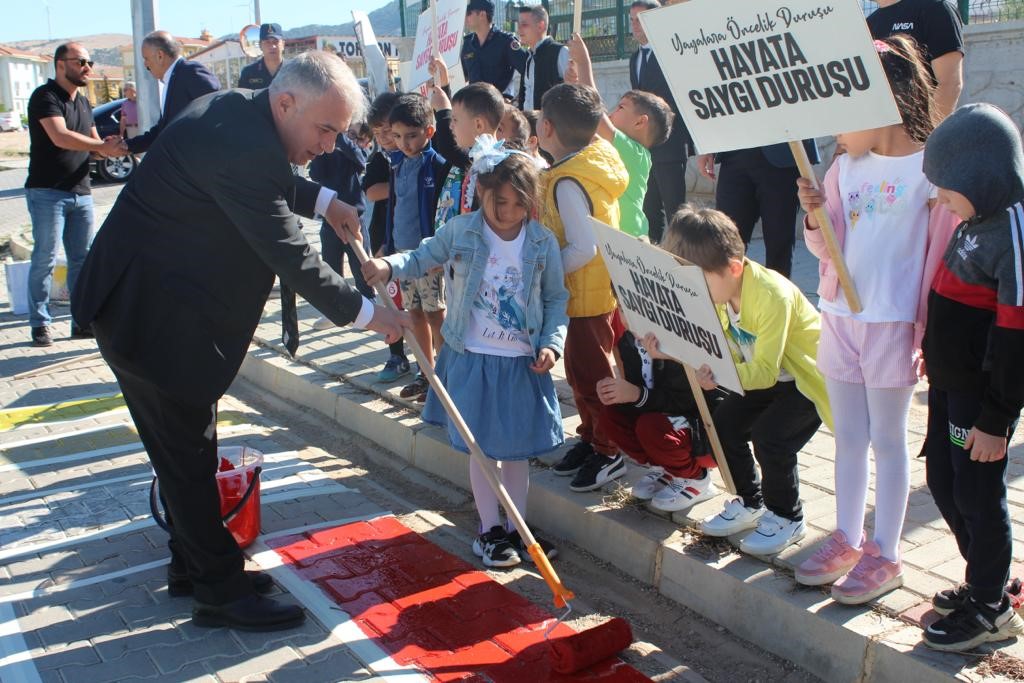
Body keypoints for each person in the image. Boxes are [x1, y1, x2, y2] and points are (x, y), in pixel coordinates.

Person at [70, 52, 408, 632]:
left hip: (156, 312)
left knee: (189, 455)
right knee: (187, 459)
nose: (330, 146)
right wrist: (375, 317)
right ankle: (219, 593)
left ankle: (196, 566)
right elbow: (292, 257)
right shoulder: (239, 143)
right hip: (146, 317)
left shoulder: (239, 114)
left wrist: (327, 202)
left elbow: (274, 177)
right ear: (285, 103)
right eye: (325, 129)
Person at [793, 36, 957, 604]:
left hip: (893, 324)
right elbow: (825, 250)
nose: (835, 129)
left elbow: (942, 258)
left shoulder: (933, 171)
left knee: (889, 441)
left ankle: (886, 552)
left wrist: (929, 332)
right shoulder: (843, 168)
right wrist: (815, 218)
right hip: (838, 316)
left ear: (879, 99)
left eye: (842, 109)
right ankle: (846, 534)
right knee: (848, 438)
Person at [364, 143, 568, 567]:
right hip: (473, 356)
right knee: (482, 450)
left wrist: (552, 343)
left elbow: (554, 300)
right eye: (499, 201)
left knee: (515, 451)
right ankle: (489, 530)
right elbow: (422, 257)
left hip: (521, 362)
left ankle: (519, 528)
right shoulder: (462, 230)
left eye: (518, 203)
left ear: (531, 202)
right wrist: (388, 267)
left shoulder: (542, 242)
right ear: (481, 192)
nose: (508, 211)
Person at [648, 207, 832, 556]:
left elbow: (762, 371)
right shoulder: (721, 291)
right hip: (764, 376)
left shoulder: (771, 295)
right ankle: (751, 501)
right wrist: (675, 354)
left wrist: (717, 374)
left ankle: (787, 517)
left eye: (700, 282)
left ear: (733, 267)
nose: (697, 292)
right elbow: (718, 347)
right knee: (725, 422)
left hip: (807, 380)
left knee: (771, 438)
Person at [917, 103, 1024, 651]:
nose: (937, 198)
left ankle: (991, 607)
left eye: (944, 187)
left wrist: (996, 419)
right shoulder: (975, 220)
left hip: (979, 403)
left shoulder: (1011, 230)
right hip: (947, 386)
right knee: (943, 479)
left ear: (980, 178)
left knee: (978, 493)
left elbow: (1014, 337)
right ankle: (982, 578)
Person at [538, 83, 629, 492]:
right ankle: (591, 438)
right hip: (586, 293)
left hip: (586, 295)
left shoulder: (568, 182)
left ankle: (610, 451)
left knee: (593, 377)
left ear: (548, 127)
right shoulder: (582, 165)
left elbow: (584, 246)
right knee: (578, 374)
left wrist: (545, 270)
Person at [25, 42, 124, 347]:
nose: (87, 67)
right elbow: (61, 137)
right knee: (45, 257)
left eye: (90, 62)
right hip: (47, 192)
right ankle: (40, 323)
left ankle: (81, 322)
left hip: (81, 192)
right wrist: (100, 147)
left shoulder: (82, 101)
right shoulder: (45, 97)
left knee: (82, 260)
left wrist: (112, 147)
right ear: (60, 64)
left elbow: (93, 144)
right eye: (81, 61)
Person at [567, 33, 673, 240]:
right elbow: (587, 117)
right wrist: (575, 82)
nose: (612, 112)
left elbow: (596, 115)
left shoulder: (636, 153)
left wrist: (585, 63)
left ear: (640, 122)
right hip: (611, 236)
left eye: (621, 107)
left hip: (627, 238)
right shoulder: (615, 146)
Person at [598, 326, 715, 512]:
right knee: (611, 411)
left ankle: (696, 479)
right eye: (622, 307)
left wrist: (638, 394)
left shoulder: (677, 340)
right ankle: (664, 467)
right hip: (664, 418)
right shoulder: (628, 341)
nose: (629, 315)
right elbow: (638, 389)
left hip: (705, 433)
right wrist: (616, 392)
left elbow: (685, 402)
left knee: (651, 426)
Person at [383, 93, 452, 402]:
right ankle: (427, 373)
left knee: (436, 314)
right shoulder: (396, 165)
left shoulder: (437, 165)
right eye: (398, 136)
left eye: (411, 135)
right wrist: (386, 243)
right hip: (402, 256)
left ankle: (447, 378)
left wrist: (439, 251)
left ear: (429, 131)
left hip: (427, 256)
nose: (404, 143)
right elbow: (393, 208)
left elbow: (442, 211)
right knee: (413, 316)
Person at [695, 140, 819, 278]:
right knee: (724, 241)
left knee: (779, 245)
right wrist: (707, 147)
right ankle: (728, 298)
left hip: (781, 155)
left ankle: (776, 298)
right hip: (734, 151)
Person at [628, 0, 691, 244]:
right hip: (644, 148)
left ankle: (684, 257)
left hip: (670, 145)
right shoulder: (635, 58)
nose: (635, 26)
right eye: (632, 20)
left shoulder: (671, 52)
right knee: (649, 210)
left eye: (640, 20)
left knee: (677, 211)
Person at [362, 92, 411, 383]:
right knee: (390, 301)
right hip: (384, 238)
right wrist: (404, 185)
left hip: (415, 241)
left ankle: (428, 363)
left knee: (420, 306)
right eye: (377, 132)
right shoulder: (381, 158)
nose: (383, 138)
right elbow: (371, 191)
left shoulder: (416, 154)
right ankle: (396, 355)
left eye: (387, 131)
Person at [308, 129, 373, 330]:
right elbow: (315, 174)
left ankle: (369, 308)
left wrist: (342, 138)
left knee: (362, 267)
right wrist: (325, 149)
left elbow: (361, 161)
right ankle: (334, 312)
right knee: (330, 266)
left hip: (355, 218)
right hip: (330, 218)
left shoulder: (351, 149)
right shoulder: (326, 152)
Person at [127, 30, 220, 154]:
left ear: (160, 56)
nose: (145, 64)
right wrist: (127, 146)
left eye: (146, 59)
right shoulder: (171, 79)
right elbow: (162, 130)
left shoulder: (191, 72)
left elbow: (216, 111)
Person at [866, 0, 964, 119]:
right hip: (882, 131)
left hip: (921, 131)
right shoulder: (868, 24)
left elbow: (949, 83)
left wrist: (931, 134)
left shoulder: (935, 8)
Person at [461, 0, 528, 100]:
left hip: (499, 107)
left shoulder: (506, 42)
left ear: (482, 15)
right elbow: (463, 75)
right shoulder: (468, 43)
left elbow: (528, 70)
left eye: (468, 13)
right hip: (474, 106)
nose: (465, 18)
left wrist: (518, 99)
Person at [516, 5, 568, 111]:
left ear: (541, 26)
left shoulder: (561, 52)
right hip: (529, 125)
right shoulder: (528, 57)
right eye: (518, 25)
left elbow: (576, 93)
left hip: (552, 125)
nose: (519, 29)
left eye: (524, 25)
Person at [238, 23, 286, 89]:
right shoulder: (248, 73)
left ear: (283, 44)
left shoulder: (294, 70)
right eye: (267, 42)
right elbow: (241, 98)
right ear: (260, 45)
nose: (272, 46)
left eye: (275, 42)